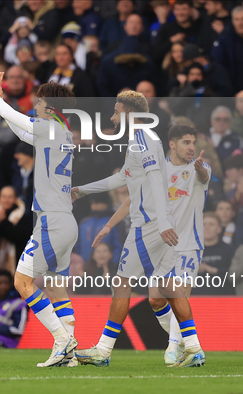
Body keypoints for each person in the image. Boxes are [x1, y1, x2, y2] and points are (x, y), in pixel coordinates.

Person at [72, 91, 204, 368]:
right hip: (155, 224)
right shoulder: (141, 140)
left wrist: (164, 221)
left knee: (121, 283)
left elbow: (157, 179)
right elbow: (122, 178)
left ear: (131, 113)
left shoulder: (143, 138)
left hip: (148, 225)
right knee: (168, 289)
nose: (112, 117)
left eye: (117, 112)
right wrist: (83, 190)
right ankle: (193, 348)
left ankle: (104, 350)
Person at [0, 75, 79, 367]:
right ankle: (70, 356)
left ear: (49, 106)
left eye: (39, 101)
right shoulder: (63, 131)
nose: (35, 105)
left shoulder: (50, 126)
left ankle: (62, 340)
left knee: (22, 281)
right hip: (66, 220)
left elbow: (11, 116)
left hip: (51, 221)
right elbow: (23, 133)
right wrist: (5, 108)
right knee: (55, 287)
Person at [146, 124, 210, 365]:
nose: (192, 147)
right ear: (172, 144)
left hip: (188, 243)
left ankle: (173, 348)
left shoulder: (200, 169)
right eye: (186, 142)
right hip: (162, 245)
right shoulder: (157, 170)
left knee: (178, 294)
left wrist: (201, 170)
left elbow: (204, 177)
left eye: (193, 142)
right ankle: (184, 340)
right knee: (155, 299)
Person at [192, 212, 235, 295]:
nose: (206, 227)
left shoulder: (229, 249)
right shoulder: (191, 251)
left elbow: (235, 275)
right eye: (203, 224)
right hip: (195, 301)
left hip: (222, 300)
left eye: (211, 224)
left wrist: (212, 270)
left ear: (219, 229)